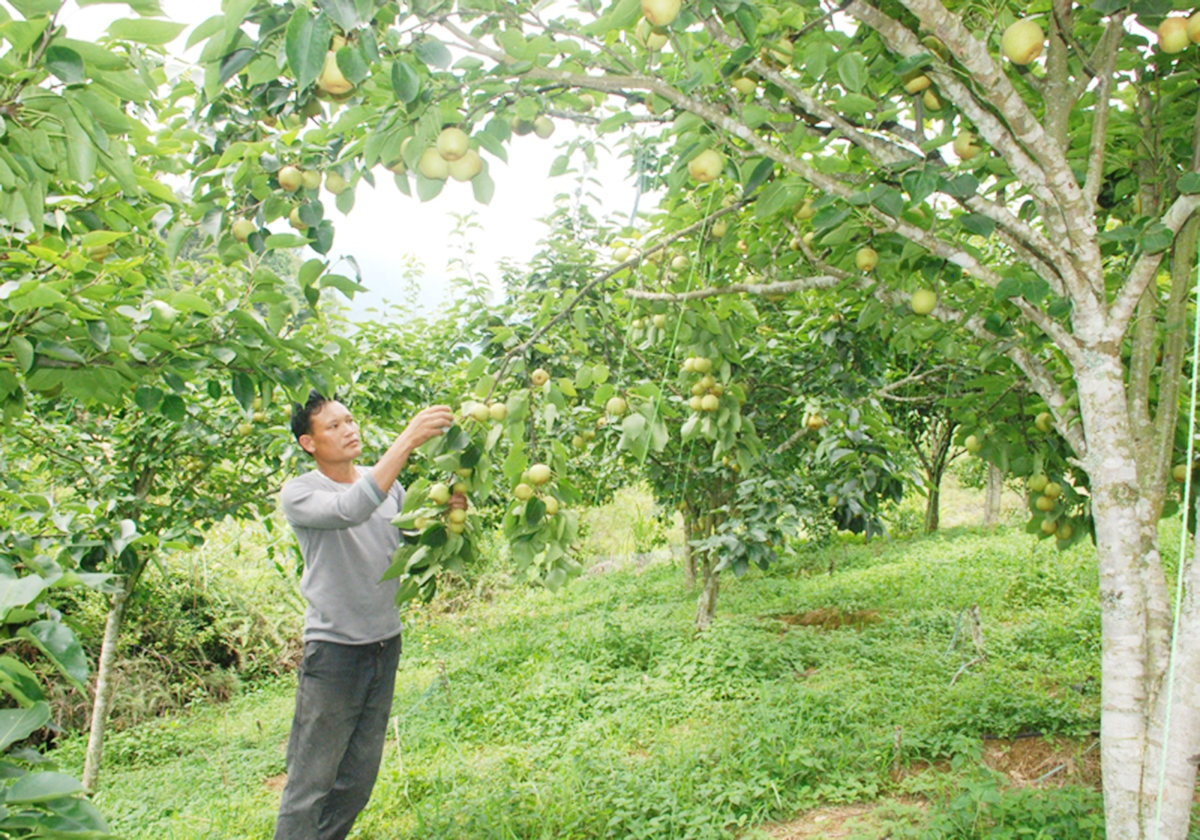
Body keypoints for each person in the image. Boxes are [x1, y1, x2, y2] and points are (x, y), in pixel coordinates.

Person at [274, 390, 461, 840]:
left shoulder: (390, 488)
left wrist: (447, 514)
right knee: (310, 782)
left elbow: (411, 540)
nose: (349, 429)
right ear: (308, 443)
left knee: (357, 781)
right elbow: (350, 508)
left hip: (384, 646)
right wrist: (407, 440)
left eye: (350, 420)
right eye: (333, 426)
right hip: (335, 652)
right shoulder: (301, 492)